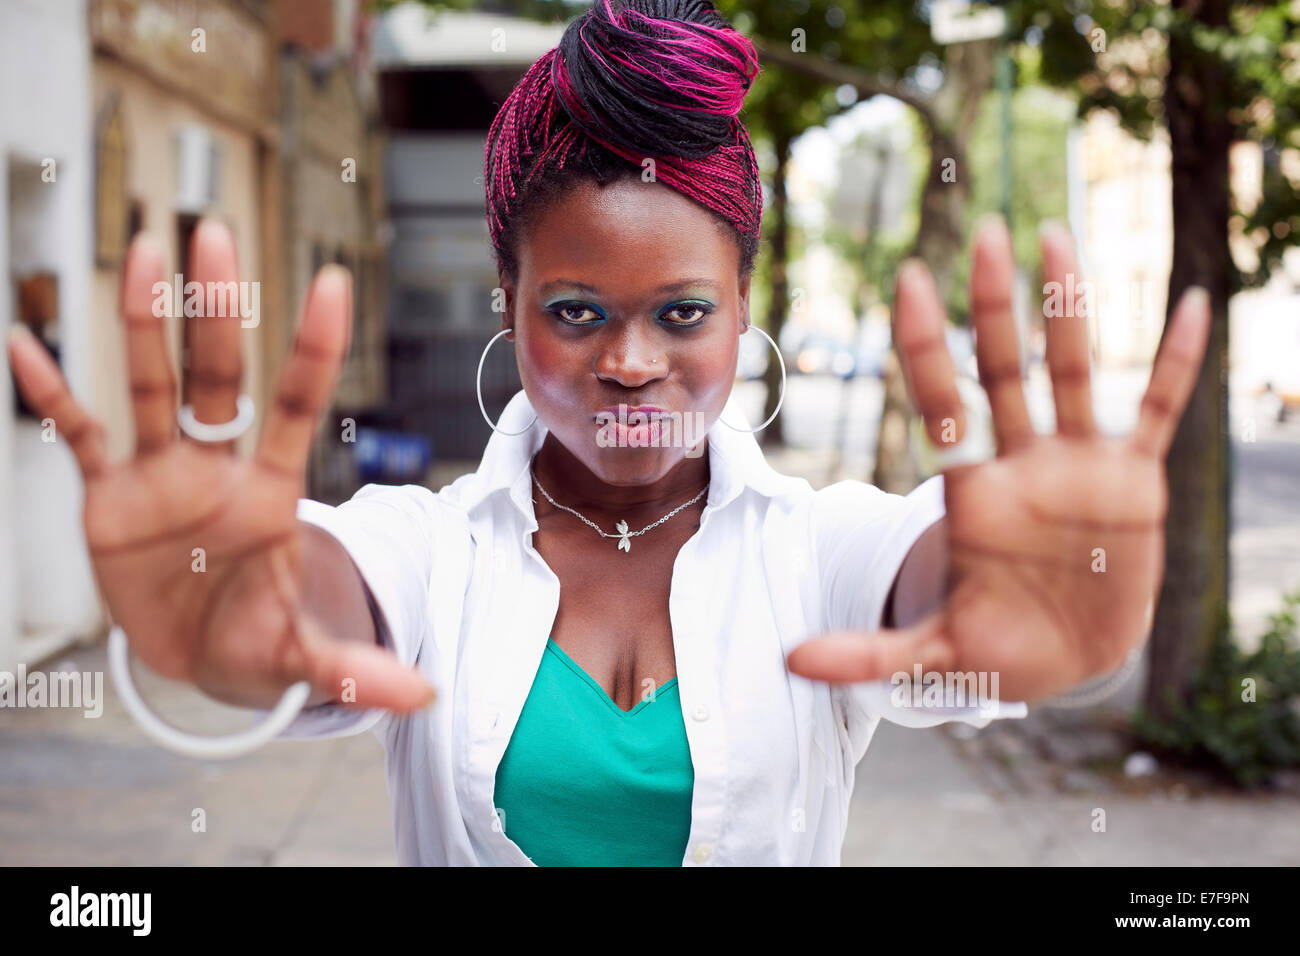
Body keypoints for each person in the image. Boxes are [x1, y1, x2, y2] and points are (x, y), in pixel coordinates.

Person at [6, 0, 1210, 866]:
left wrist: (1065, 593)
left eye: (681, 312)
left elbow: (939, 585)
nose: (629, 363)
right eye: (573, 310)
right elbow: (318, 596)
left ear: (745, 304)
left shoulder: (815, 549)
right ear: (510, 304)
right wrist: (224, 597)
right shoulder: (434, 548)